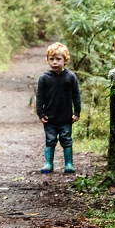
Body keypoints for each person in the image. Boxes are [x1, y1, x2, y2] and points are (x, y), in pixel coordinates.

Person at [33, 43, 82, 175]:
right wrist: (40, 113)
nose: (55, 62)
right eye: (52, 59)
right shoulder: (44, 78)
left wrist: (76, 112)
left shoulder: (71, 77)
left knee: (66, 140)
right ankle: (48, 163)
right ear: (47, 60)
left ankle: (69, 164)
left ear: (65, 60)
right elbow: (40, 97)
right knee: (50, 141)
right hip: (50, 118)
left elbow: (76, 96)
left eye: (58, 59)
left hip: (66, 118)